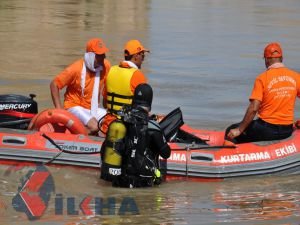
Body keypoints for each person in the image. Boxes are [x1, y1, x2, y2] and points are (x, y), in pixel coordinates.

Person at [225, 42, 300, 144]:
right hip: (287, 130)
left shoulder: (262, 78)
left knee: (231, 129)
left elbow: (254, 108)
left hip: (266, 130)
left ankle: (233, 156)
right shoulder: (296, 77)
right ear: (282, 58)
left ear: (266, 60)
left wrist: (240, 129)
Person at [101, 83, 171, 188]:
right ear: (149, 103)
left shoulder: (120, 122)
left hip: (119, 180)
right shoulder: (152, 126)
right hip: (142, 184)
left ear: (133, 100)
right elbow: (166, 153)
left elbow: (104, 151)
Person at [50, 38, 110, 134]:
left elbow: (107, 91)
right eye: (99, 55)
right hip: (74, 106)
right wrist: (59, 111)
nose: (103, 57)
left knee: (114, 120)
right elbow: (54, 84)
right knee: (94, 126)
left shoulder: (106, 66)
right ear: (90, 56)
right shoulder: (75, 69)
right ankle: (75, 138)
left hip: (93, 108)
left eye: (103, 54)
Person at [101, 39, 149, 133]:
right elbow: (144, 111)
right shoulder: (137, 75)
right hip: (126, 129)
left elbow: (104, 103)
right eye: (142, 56)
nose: (143, 59)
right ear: (136, 56)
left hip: (107, 126)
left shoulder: (111, 70)